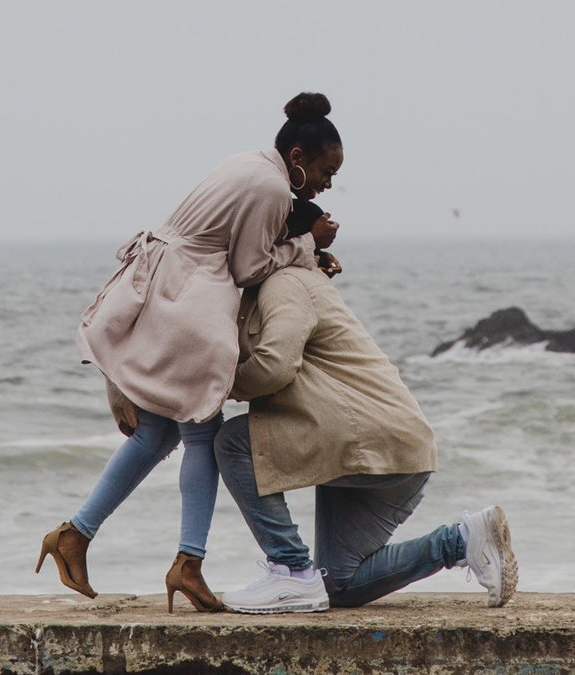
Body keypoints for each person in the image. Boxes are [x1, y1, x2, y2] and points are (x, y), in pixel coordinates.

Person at [37, 93, 343, 613]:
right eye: (324, 169)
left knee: (156, 432)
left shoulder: (247, 162)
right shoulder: (271, 187)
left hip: (166, 286)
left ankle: (76, 536)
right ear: (297, 157)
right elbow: (249, 267)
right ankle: (187, 563)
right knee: (202, 429)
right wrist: (309, 245)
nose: (328, 182)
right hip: (190, 303)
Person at [214, 201, 517, 613]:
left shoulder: (287, 283)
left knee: (233, 441)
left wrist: (216, 388)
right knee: (340, 584)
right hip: (392, 447)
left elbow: (275, 364)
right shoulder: (294, 282)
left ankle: (290, 571)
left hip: (370, 441)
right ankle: (462, 540)